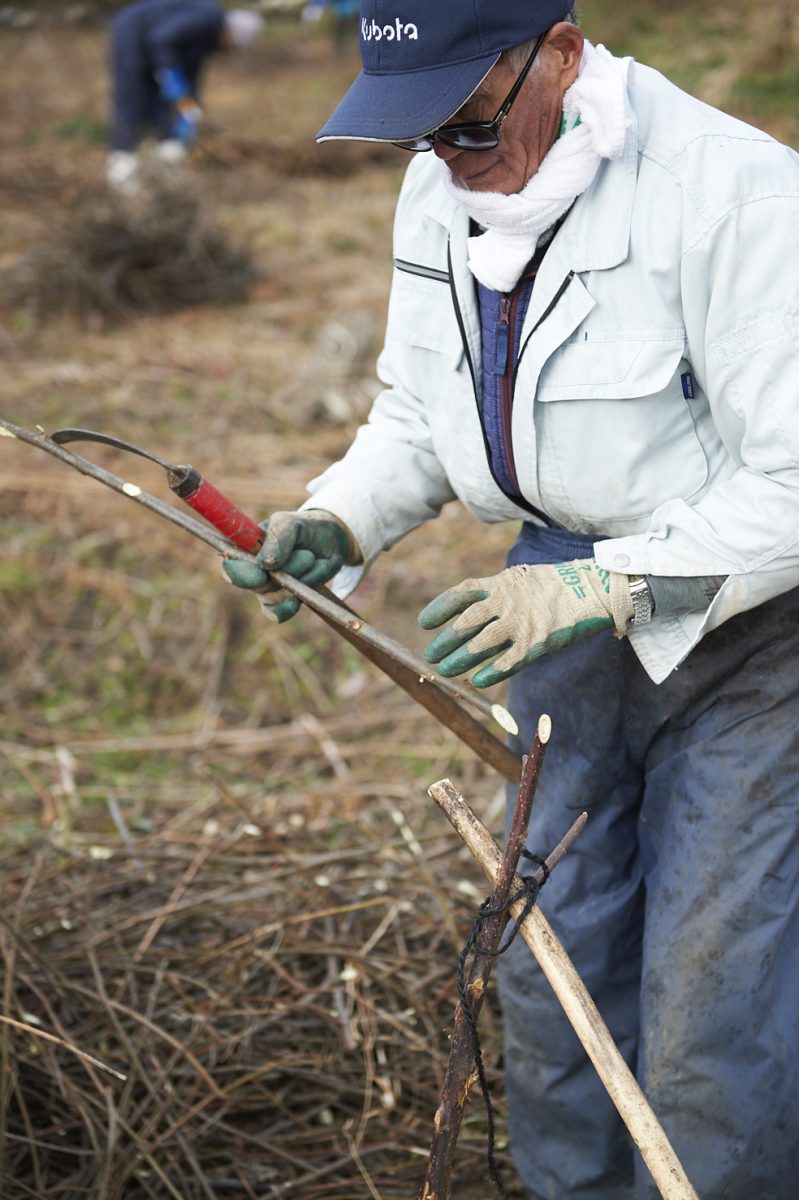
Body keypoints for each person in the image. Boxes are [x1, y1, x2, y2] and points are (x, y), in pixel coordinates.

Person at [224, 1, 799, 1196]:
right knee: (550, 956)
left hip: (745, 628)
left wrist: (617, 581)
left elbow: (793, 480)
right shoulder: (444, 183)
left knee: (713, 990)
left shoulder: (737, 194)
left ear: (561, 54)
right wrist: (343, 515)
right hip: (556, 603)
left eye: (469, 122)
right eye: (417, 134)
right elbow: (417, 411)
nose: (447, 157)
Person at [107, 1, 263, 192]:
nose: (227, 52)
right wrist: (169, 72)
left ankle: (161, 159)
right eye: (232, 46)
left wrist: (189, 107)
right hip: (132, 33)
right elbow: (161, 39)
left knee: (164, 103)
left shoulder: (209, 39)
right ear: (231, 32)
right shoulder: (205, 19)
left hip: (155, 46)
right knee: (132, 97)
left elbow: (191, 73)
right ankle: (121, 164)